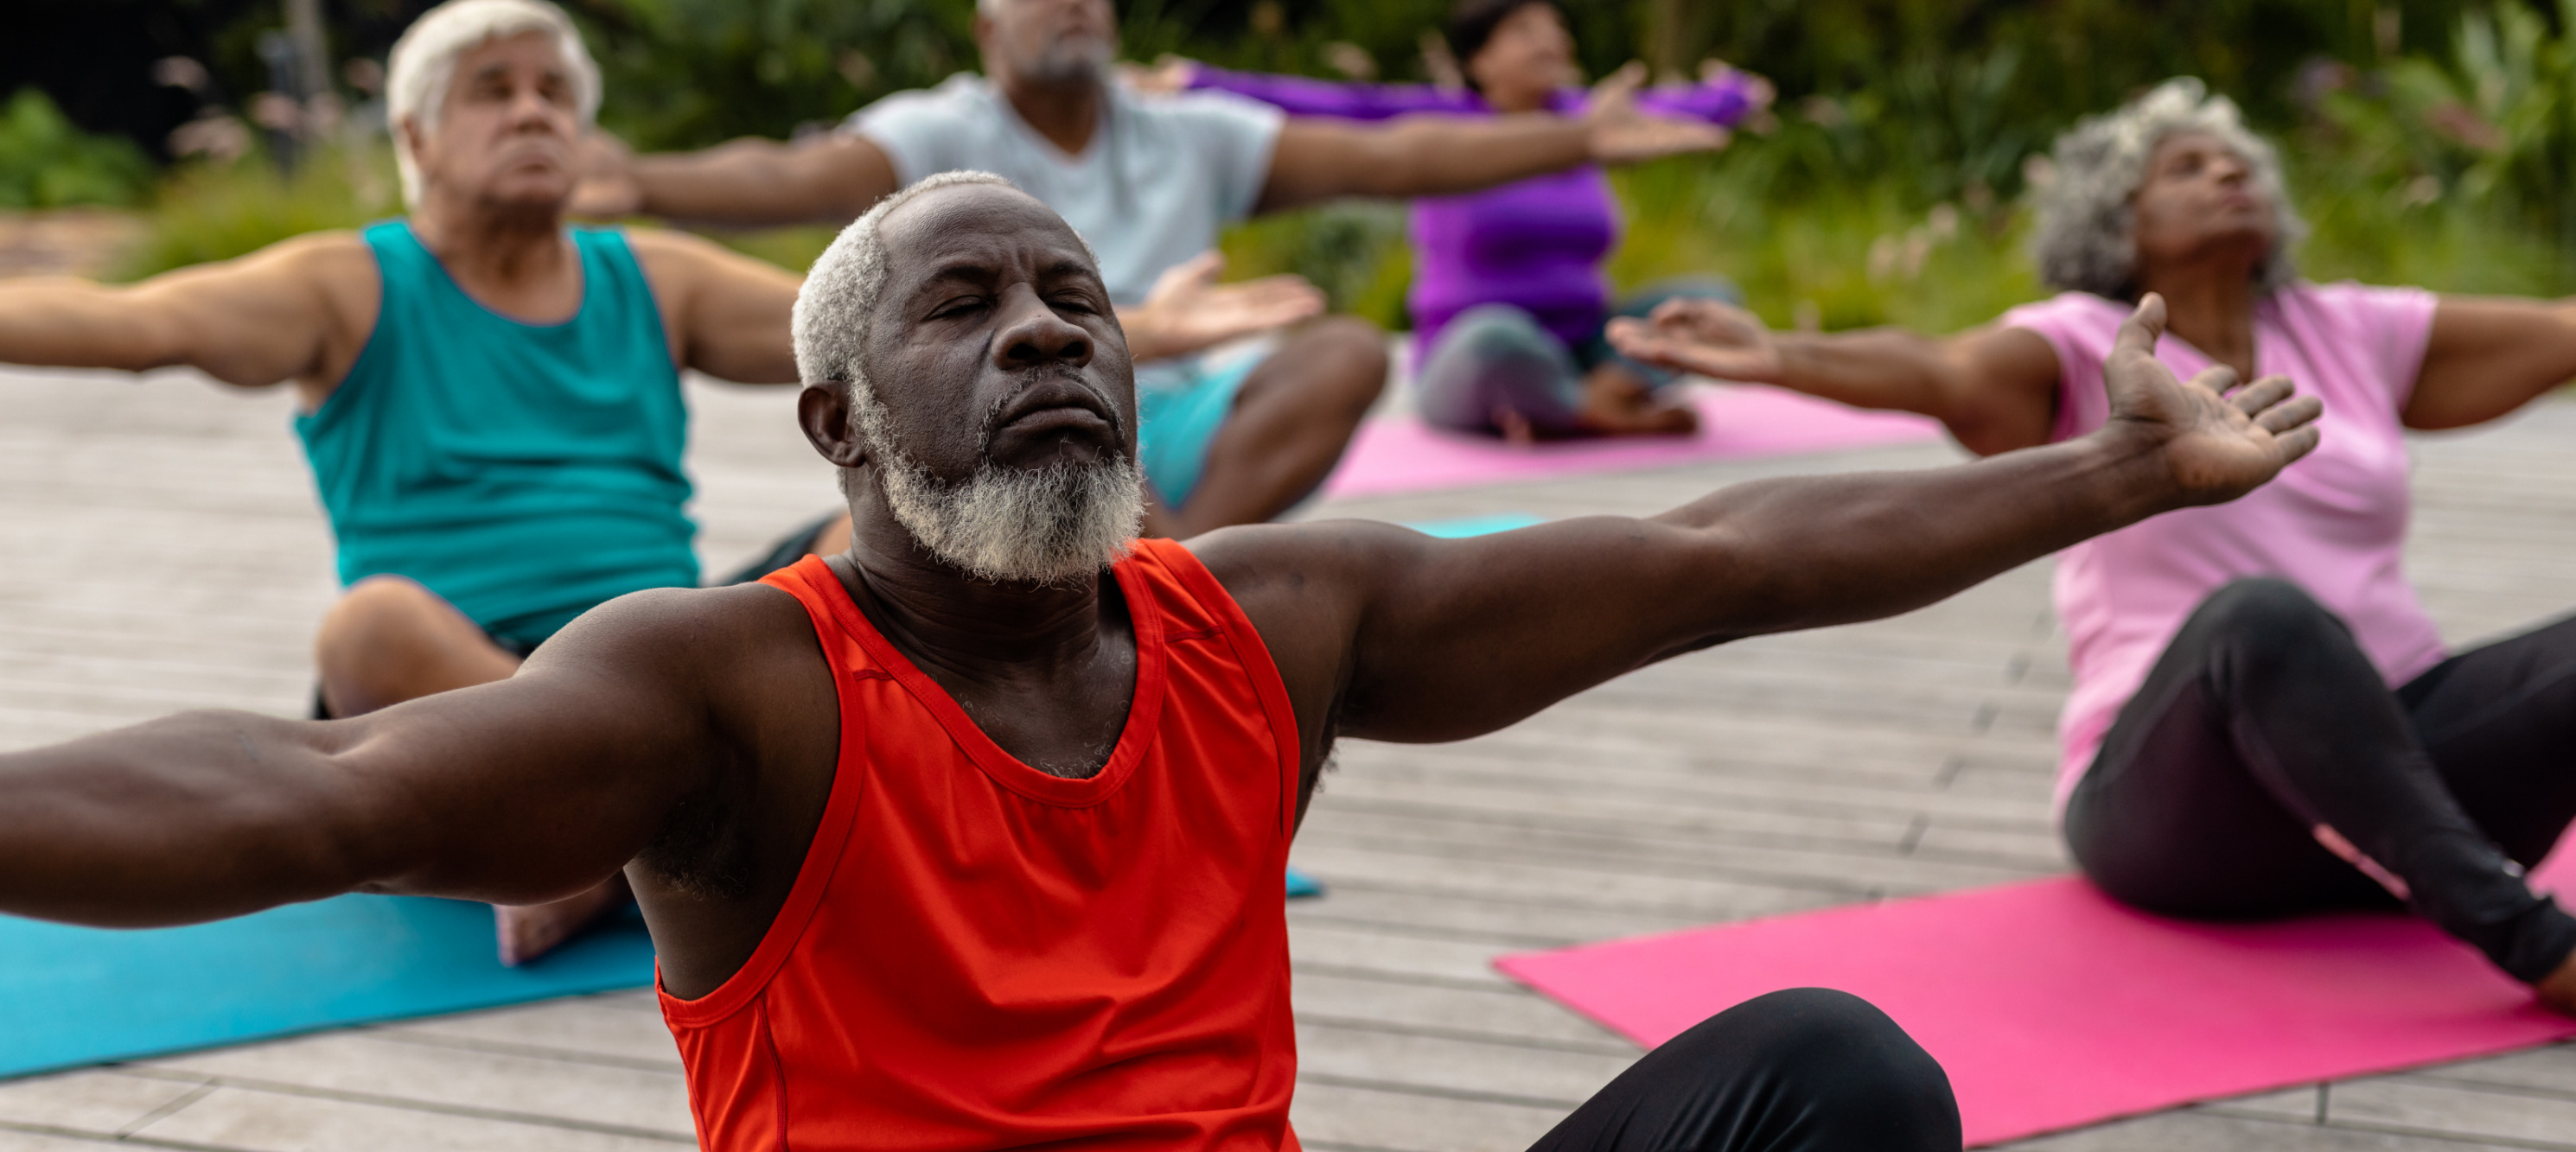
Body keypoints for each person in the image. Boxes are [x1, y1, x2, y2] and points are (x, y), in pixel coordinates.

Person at [0, 170, 2323, 1149]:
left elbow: (1719, 544)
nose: (1044, 335)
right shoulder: (731, 688)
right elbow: (312, 792)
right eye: (965, 308)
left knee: (1826, 1069)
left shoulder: (1277, 622)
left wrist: (2115, 481)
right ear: (836, 427)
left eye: (1075, 305)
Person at [1608, 78, 2576, 1010]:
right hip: (2191, 811)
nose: (2227, 174)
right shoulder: (2086, 343)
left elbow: (2566, 328)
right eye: (2185, 167)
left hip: (2404, 769)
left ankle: (2443, 869)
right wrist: (1781, 354)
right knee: (2262, 619)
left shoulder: (2348, 328)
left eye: (2237, 160)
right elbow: (1940, 365)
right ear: (2117, 218)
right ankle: (2546, 951)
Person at [0, 0, 813, 964]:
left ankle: (590, 839)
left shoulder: (656, 276)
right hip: (453, 684)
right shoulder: (346, 286)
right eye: (493, 92)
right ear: (415, 136)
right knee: (366, 624)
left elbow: (864, 336)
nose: (531, 114)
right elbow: (133, 324)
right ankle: (631, 822)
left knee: (852, 546)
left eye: (555, 94)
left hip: (659, 656)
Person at [574, 0, 1727, 548]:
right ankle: (1154, 569)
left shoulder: (1193, 133)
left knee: (1333, 354)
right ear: (988, 24)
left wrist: (1576, 136)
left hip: (1195, 413)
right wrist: (643, 178)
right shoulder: (938, 132)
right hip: (1025, 404)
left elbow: (1397, 152)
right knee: (1089, 400)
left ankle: (1172, 582)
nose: (1074, 3)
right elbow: (786, 177)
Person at [1156, 0, 1769, 441]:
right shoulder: (1442, 119)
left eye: (1555, 25)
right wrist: (1202, 82)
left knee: (1708, 300)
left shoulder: (1588, 122)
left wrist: (1734, 95)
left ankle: (1575, 402)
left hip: (1585, 343)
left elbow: (1671, 110)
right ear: (1480, 59)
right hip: (1472, 352)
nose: (1549, 38)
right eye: (1524, 27)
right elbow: (1333, 103)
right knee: (1497, 336)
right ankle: (1591, 408)